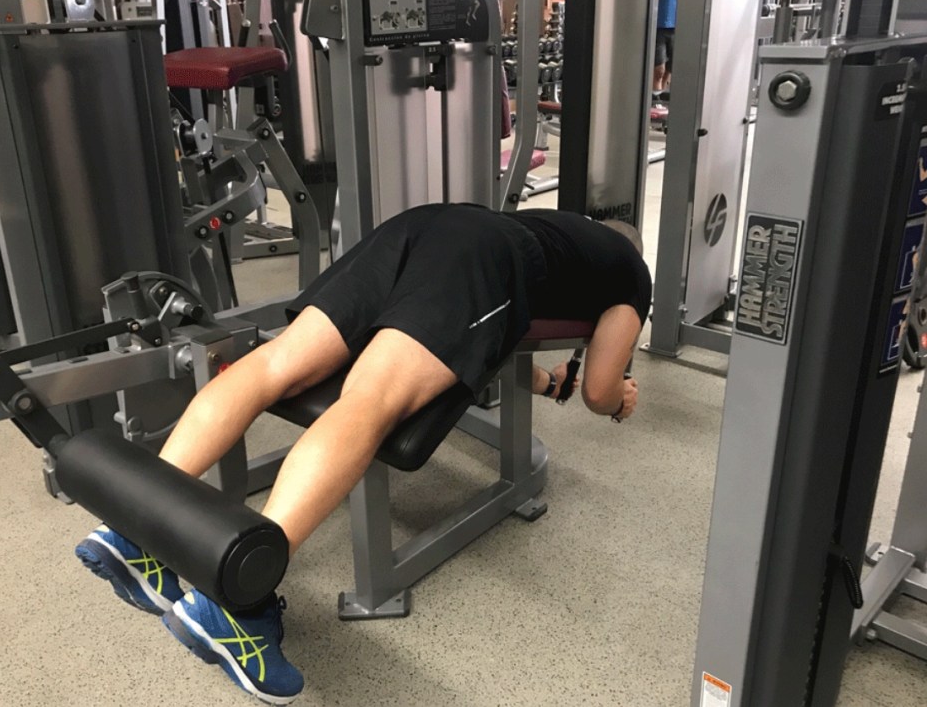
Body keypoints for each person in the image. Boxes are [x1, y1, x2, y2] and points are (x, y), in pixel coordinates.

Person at [74, 203, 652, 704]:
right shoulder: (631, 272)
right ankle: (235, 607)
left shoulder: (561, 230)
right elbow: (599, 389)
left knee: (274, 364)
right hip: (485, 261)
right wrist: (619, 398)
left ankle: (133, 529)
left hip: (422, 228)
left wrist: (548, 383)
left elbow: (493, 338)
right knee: (370, 401)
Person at [653, 0, 680, 110]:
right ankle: (655, 101)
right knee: (659, 70)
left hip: (677, 28)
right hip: (659, 27)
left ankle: (660, 100)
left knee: (670, 68)